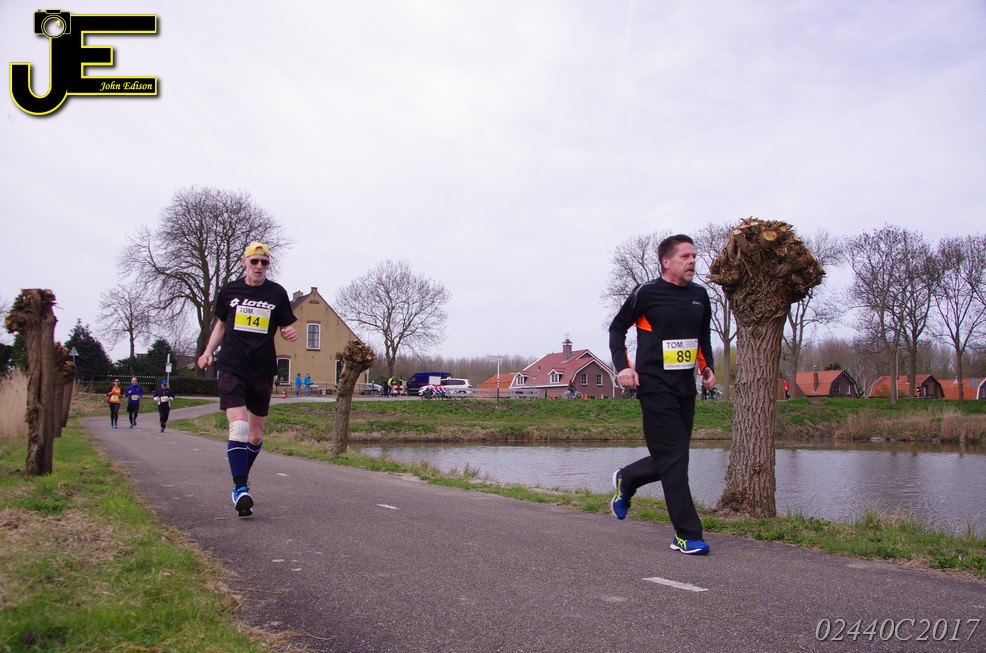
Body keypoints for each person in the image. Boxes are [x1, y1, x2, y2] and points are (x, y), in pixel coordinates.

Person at [608, 234, 716, 556]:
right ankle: (687, 535)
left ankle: (627, 479)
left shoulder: (700, 296)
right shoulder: (647, 293)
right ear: (666, 262)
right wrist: (623, 367)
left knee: (673, 457)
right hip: (654, 385)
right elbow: (617, 329)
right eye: (685, 256)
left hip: (685, 388)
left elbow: (703, 336)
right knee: (675, 460)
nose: (692, 261)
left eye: (694, 256)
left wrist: (707, 367)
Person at [197, 241, 298, 518]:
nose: (259, 266)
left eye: (264, 262)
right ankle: (240, 488)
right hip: (232, 366)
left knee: (255, 435)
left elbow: (285, 326)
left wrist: (289, 333)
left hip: (262, 370)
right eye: (254, 261)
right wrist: (208, 351)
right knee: (239, 426)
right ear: (245, 262)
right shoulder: (229, 291)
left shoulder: (277, 293)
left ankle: (241, 476)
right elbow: (220, 325)